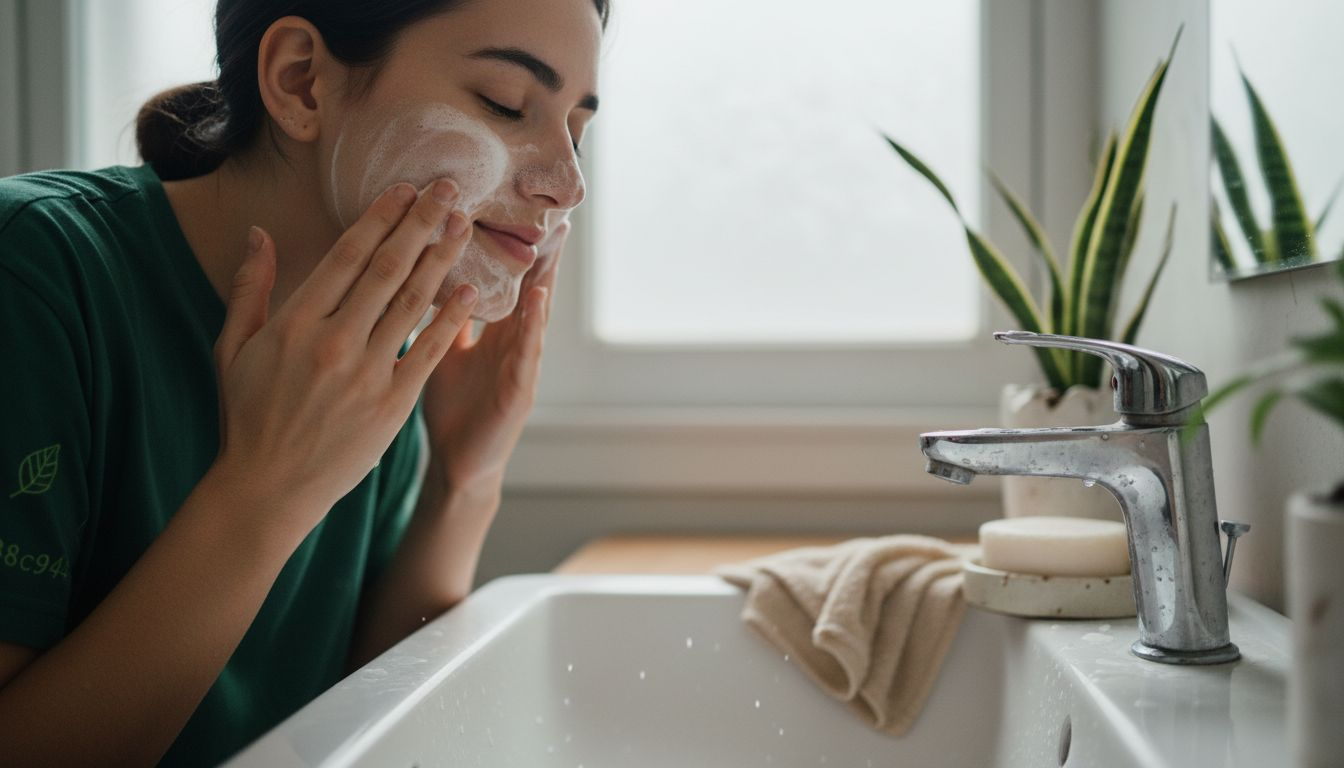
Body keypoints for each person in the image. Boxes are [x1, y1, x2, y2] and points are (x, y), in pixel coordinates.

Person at [0, 0, 606, 764]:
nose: (567, 183)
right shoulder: (31, 273)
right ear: (301, 81)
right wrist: (264, 491)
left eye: (577, 129)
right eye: (505, 104)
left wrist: (462, 477)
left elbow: (372, 728)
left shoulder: (379, 351)